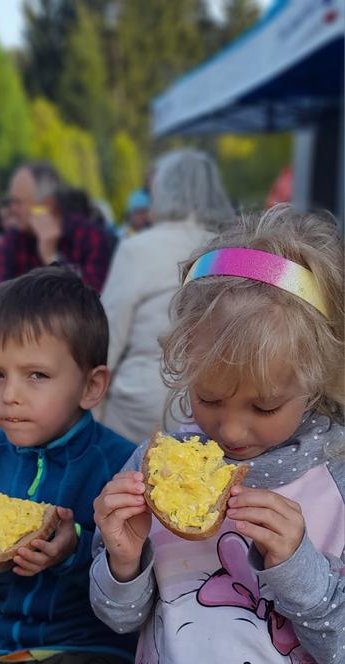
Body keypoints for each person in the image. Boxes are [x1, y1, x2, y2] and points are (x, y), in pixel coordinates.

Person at [90, 205, 345, 664]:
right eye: (208, 398)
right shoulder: (154, 468)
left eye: (265, 406)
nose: (230, 430)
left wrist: (300, 568)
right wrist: (122, 561)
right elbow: (119, 620)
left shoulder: (336, 480)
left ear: (317, 379)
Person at [0, 267, 137, 664]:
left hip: (88, 645)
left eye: (36, 375)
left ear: (91, 386)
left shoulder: (120, 463)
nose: (10, 394)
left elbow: (134, 569)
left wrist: (73, 550)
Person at [99, 149, 235, 443]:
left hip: (138, 410)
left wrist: (90, 408)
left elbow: (107, 336)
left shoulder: (137, 249)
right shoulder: (229, 249)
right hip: (211, 405)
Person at [0, 161, 114, 294]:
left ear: (47, 205)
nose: (12, 209)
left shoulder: (90, 237)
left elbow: (93, 299)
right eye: (11, 201)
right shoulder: (12, 240)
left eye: (19, 203)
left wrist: (52, 258)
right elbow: (0, 300)